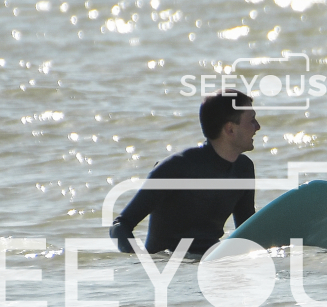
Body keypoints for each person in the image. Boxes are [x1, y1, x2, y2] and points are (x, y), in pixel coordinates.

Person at [109, 90, 260, 255]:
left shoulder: (243, 169)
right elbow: (120, 226)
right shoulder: (176, 168)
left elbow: (247, 235)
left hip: (209, 263)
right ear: (230, 129)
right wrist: (142, 259)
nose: (257, 127)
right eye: (252, 120)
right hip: (168, 265)